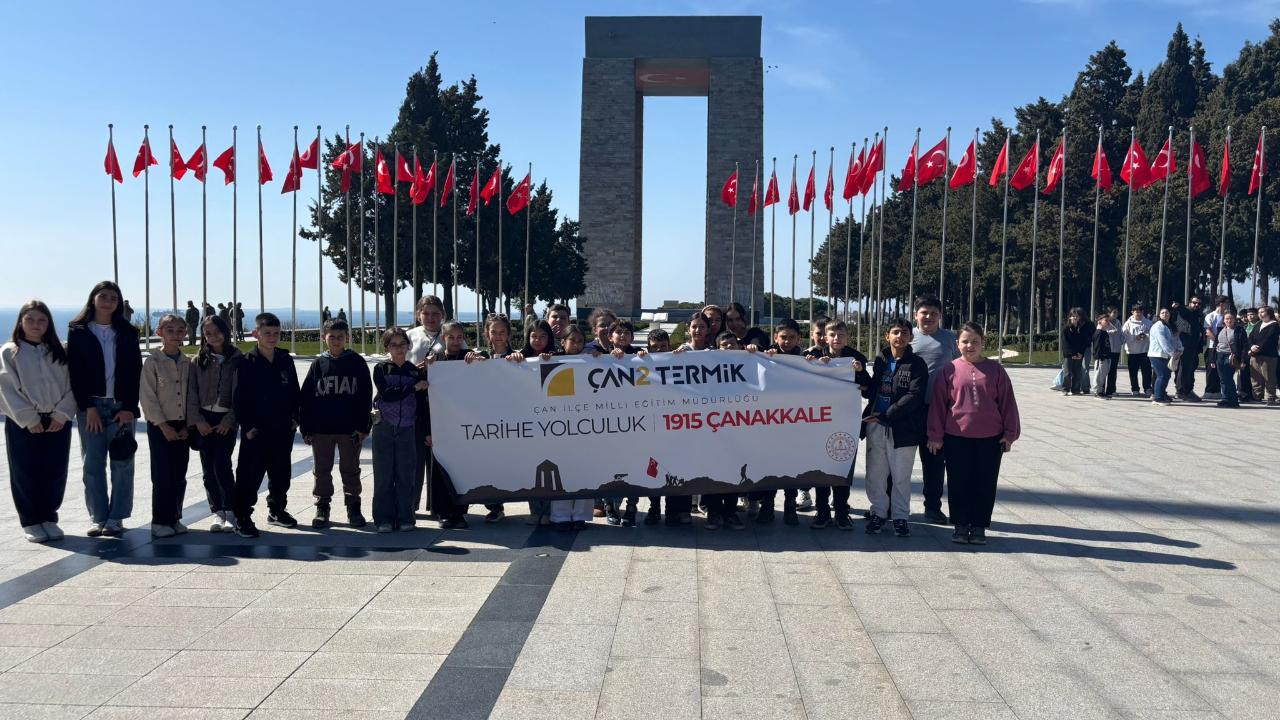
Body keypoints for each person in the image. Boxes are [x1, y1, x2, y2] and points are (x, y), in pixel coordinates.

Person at [926, 322, 1021, 545]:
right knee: (958, 482)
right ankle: (960, 525)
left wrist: (1010, 433)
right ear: (957, 344)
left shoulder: (996, 370)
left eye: (975, 341)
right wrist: (935, 435)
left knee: (985, 483)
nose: (970, 345)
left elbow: (1007, 403)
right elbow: (939, 405)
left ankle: (979, 526)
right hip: (956, 436)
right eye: (965, 341)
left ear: (983, 343)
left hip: (990, 438)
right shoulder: (948, 370)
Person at [67, 280, 141, 538]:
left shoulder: (129, 332)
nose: (109, 301)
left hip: (121, 406)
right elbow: (75, 373)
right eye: (104, 296)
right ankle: (98, 517)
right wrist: (89, 408)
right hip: (93, 407)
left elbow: (134, 371)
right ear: (93, 299)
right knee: (93, 464)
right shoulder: (78, 331)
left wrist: (130, 407)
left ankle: (117, 517)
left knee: (122, 462)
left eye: (114, 297)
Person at [0, 301, 76, 542]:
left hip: (56, 420)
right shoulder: (10, 351)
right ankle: (31, 520)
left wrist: (62, 414)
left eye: (41, 320)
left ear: (49, 323)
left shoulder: (58, 351)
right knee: (25, 470)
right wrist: (28, 418)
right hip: (24, 422)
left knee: (54, 470)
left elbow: (72, 385)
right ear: (21, 322)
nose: (36, 325)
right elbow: (7, 388)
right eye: (30, 319)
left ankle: (48, 516)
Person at [231, 312, 300, 537]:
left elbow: (294, 392)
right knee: (249, 475)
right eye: (267, 333)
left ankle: (277, 510)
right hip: (256, 431)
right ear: (256, 334)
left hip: (282, 428)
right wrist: (247, 425)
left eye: (276, 333)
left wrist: (295, 418)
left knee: (281, 473)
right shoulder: (246, 362)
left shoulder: (284, 359)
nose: (272, 337)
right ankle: (242, 515)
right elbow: (239, 398)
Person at [300, 319, 373, 529]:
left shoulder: (356, 362)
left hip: (349, 429)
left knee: (350, 469)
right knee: (322, 470)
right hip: (322, 429)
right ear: (324, 338)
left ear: (347, 338)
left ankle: (353, 507)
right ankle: (322, 507)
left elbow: (365, 396)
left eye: (340, 337)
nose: (336, 341)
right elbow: (307, 398)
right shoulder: (318, 365)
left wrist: (363, 427)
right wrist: (306, 427)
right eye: (332, 337)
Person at [862, 320, 927, 537]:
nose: (899, 336)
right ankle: (878, 513)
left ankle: (900, 517)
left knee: (900, 476)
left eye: (904, 333)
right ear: (887, 336)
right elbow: (872, 389)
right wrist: (858, 375)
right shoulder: (881, 360)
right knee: (875, 473)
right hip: (875, 425)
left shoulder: (917, 363)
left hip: (903, 427)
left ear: (910, 337)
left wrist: (887, 415)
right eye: (895, 332)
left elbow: (915, 396)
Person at [805, 320, 871, 530]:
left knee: (843, 465)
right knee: (821, 468)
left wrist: (859, 372)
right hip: (820, 421)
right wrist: (812, 365)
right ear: (825, 337)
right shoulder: (814, 356)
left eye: (840, 335)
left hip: (845, 420)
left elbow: (869, 389)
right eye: (832, 335)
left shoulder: (856, 357)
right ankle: (822, 510)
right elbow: (802, 384)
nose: (836, 339)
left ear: (847, 337)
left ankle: (842, 511)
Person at [187, 315, 241, 533]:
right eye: (208, 333)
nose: (213, 336)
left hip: (225, 420)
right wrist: (197, 420)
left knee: (222, 465)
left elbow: (241, 394)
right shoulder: (197, 361)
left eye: (217, 331)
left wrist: (229, 420)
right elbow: (191, 393)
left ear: (225, 331)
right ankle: (217, 511)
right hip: (204, 420)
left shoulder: (237, 359)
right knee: (208, 468)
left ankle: (231, 510)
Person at [140, 314, 193, 538]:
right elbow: (148, 397)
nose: (175, 334)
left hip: (183, 425)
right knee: (162, 475)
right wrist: (163, 426)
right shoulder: (152, 362)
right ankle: (160, 520)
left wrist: (187, 426)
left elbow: (193, 395)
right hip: (161, 425)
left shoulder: (188, 362)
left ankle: (175, 517)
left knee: (179, 473)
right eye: (170, 330)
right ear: (160, 333)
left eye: (180, 330)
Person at [372, 327, 427, 533]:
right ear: (387, 347)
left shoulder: (413, 370)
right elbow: (387, 394)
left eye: (402, 344)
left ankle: (406, 517)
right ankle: (383, 518)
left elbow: (421, 402)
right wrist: (413, 387)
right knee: (384, 473)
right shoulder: (381, 368)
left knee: (406, 474)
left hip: (407, 428)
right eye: (393, 345)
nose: (399, 349)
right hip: (385, 426)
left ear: (408, 345)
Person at [908, 296, 957, 525]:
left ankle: (933, 507)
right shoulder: (907, 337)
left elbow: (962, 366)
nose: (928, 317)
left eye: (933, 313)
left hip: (938, 410)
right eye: (924, 312)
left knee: (935, 462)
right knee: (899, 461)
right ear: (915, 314)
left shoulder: (950, 339)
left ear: (940, 315)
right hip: (908, 409)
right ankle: (889, 505)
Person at [753, 318, 806, 524]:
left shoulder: (805, 359)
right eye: (783, 337)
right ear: (776, 337)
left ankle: (790, 507)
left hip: (795, 424)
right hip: (770, 424)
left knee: (792, 467)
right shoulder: (765, 357)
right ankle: (767, 506)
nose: (787, 341)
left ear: (799, 338)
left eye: (792, 337)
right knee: (770, 466)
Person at [469, 314, 519, 523]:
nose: (498, 336)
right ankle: (494, 506)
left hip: (511, 419)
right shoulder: (479, 356)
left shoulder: (517, 357)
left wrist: (519, 361)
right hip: (486, 420)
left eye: (502, 332)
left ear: (508, 334)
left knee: (509, 464)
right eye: (493, 332)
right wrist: (469, 361)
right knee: (488, 464)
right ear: (487, 334)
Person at [426, 321, 471, 528]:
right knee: (440, 471)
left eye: (459, 337)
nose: (455, 341)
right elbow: (426, 397)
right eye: (450, 337)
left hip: (464, 425)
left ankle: (460, 512)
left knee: (462, 470)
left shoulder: (468, 358)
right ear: (443, 338)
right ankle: (443, 513)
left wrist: (478, 359)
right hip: (441, 425)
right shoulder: (435, 363)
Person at [1148, 307, 1181, 406]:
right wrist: (1172, 352)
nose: (1165, 314)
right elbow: (1162, 341)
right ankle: (1157, 398)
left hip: (1165, 355)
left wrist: (1180, 349)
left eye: (1167, 313)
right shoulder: (1158, 326)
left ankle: (1161, 395)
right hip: (1157, 354)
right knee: (1161, 375)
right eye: (1162, 313)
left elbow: (1174, 340)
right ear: (1159, 315)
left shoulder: (1168, 326)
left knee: (1166, 376)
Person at [1175, 296, 1205, 401]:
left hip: (1194, 346)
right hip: (1185, 345)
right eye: (1194, 303)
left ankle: (1188, 390)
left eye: (1199, 304)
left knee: (1190, 369)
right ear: (1189, 303)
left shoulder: (1196, 315)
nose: (1197, 305)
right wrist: (1178, 306)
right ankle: (1181, 391)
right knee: (1183, 368)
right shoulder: (1186, 312)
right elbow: (1183, 311)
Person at [1215, 311, 1248, 408]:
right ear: (1223, 320)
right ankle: (1225, 398)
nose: (1228, 320)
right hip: (1220, 355)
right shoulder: (1221, 329)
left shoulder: (1239, 330)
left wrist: (1242, 360)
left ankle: (1233, 400)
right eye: (1226, 319)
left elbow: (1244, 346)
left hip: (1231, 356)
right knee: (1222, 379)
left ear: (1234, 320)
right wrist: (1213, 359)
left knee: (1227, 377)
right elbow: (1217, 344)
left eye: (1231, 318)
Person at [407, 295, 451, 366]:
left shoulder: (452, 334)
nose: (430, 318)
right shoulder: (408, 335)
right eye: (426, 314)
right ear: (418, 315)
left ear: (442, 314)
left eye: (435, 314)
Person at [1202, 296, 1231, 400]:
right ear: (1221, 304)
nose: (1228, 305)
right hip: (1212, 347)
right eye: (1227, 303)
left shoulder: (1227, 316)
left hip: (1225, 348)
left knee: (1221, 369)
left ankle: (1219, 391)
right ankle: (1209, 391)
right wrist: (1217, 340)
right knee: (1211, 369)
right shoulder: (1210, 316)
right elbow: (1207, 331)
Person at [1248, 305, 1278, 405]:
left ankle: (1271, 397)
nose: (1260, 314)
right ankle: (1257, 396)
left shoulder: (1274, 325)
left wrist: (1258, 348)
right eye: (1259, 312)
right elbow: (1251, 336)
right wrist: (1252, 346)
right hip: (1255, 355)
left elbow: (1268, 340)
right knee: (1255, 377)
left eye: (1262, 312)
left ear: (1269, 313)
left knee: (1268, 377)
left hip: (1268, 356)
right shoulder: (1258, 324)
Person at [1122, 304, 1153, 396]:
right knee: (1133, 371)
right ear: (1132, 312)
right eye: (1136, 312)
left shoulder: (1148, 322)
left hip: (1144, 351)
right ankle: (1135, 388)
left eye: (1140, 312)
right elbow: (1124, 337)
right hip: (1132, 351)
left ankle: (1147, 388)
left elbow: (1153, 335)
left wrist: (1145, 336)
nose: (1138, 314)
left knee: (1147, 371)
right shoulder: (1127, 324)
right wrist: (1135, 337)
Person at [1061, 308, 1091, 396]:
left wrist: (1080, 353)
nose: (1075, 318)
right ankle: (1065, 389)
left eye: (1076, 316)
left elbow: (1083, 342)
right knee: (1067, 373)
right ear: (1070, 317)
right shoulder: (1066, 329)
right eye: (1073, 316)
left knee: (1077, 373)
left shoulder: (1081, 329)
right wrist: (1072, 354)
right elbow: (1065, 344)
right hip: (1069, 355)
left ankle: (1076, 389)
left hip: (1079, 355)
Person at [1091, 313, 1115, 400]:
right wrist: (1100, 357)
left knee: (1103, 375)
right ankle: (1097, 392)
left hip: (1106, 357)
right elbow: (1097, 347)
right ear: (1099, 321)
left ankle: (1101, 391)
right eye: (1106, 320)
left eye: (1109, 321)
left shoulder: (1104, 332)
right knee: (1099, 375)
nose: (1108, 323)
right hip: (1101, 358)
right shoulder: (1098, 333)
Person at [1102, 307, 1124, 396]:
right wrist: (1110, 332)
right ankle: (1101, 389)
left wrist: (1122, 341)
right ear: (1109, 313)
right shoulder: (1104, 321)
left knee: (1113, 370)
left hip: (1116, 349)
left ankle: (1111, 389)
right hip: (1107, 349)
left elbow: (1120, 333)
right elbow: (1101, 332)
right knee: (1104, 370)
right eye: (1114, 312)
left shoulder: (1118, 322)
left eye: (1116, 312)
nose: (1115, 314)